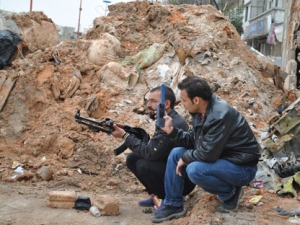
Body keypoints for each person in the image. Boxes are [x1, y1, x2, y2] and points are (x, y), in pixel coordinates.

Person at [151, 76, 261, 223]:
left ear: (196, 100)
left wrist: (186, 158)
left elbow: (207, 154)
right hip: (223, 160)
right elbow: (192, 140)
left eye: (183, 100)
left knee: (195, 169)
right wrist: (171, 131)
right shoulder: (201, 112)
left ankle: (230, 194)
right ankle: (173, 205)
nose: (181, 104)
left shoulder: (219, 115)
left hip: (242, 168)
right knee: (176, 153)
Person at [111, 85, 195, 209]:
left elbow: (150, 153)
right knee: (133, 158)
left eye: (153, 101)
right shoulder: (164, 118)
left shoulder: (172, 124)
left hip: (182, 180)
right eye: (148, 100)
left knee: (143, 166)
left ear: (166, 104)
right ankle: (156, 197)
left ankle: (167, 200)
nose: (148, 105)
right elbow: (154, 147)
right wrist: (126, 130)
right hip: (169, 168)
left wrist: (125, 136)